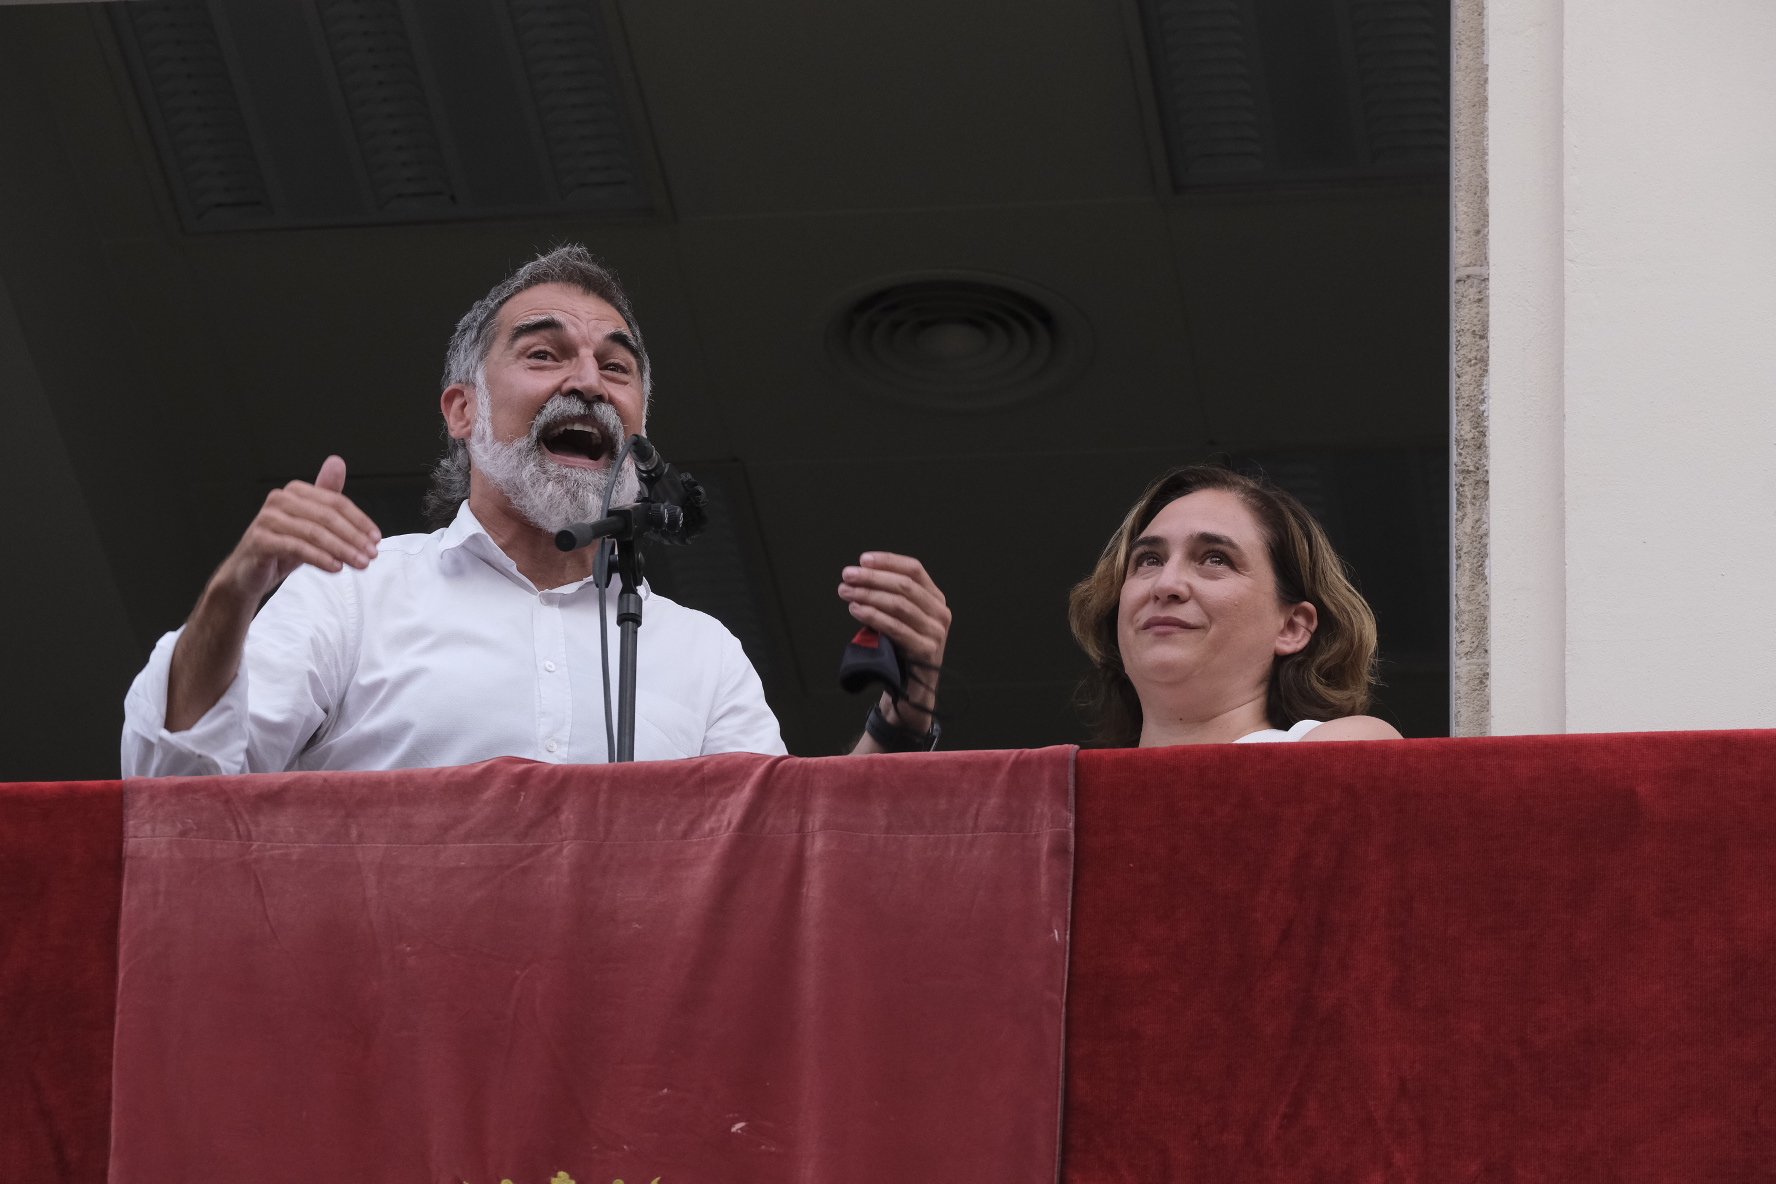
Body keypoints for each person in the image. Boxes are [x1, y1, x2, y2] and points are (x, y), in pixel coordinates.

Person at [122, 246, 948, 775]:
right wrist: (233, 593)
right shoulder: (354, 596)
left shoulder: (701, 656)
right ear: (462, 411)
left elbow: (788, 870)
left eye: (615, 367)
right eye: (546, 354)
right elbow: (173, 787)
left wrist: (900, 721)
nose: (587, 380)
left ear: (639, 430)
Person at [1068, 465, 1401, 746]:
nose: (1166, 584)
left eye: (1215, 558)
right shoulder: (1062, 794)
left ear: (1291, 627)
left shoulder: (1342, 747)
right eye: (1149, 559)